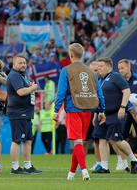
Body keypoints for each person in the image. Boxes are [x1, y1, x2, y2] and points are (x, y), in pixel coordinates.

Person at [54, 43, 105, 182]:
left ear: (70, 55)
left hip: (73, 109)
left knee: (77, 142)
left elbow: (61, 92)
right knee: (80, 142)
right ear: (82, 54)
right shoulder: (91, 72)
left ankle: (84, 170)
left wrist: (56, 110)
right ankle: (71, 173)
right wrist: (102, 110)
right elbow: (99, 93)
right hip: (87, 110)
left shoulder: (66, 70)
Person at [96, 58, 137, 174]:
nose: (98, 69)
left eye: (101, 66)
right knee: (102, 139)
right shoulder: (101, 80)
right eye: (98, 66)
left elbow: (126, 91)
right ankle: (104, 167)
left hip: (115, 113)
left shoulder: (115, 76)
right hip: (103, 115)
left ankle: (134, 160)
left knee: (117, 140)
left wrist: (122, 107)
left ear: (108, 67)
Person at [6, 54, 41, 174]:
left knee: (27, 140)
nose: (23, 65)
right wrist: (33, 88)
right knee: (17, 140)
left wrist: (30, 87)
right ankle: (15, 167)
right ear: (14, 64)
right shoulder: (14, 75)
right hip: (18, 113)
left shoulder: (22, 76)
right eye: (20, 63)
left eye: (24, 63)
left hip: (25, 113)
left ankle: (27, 165)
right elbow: (20, 92)